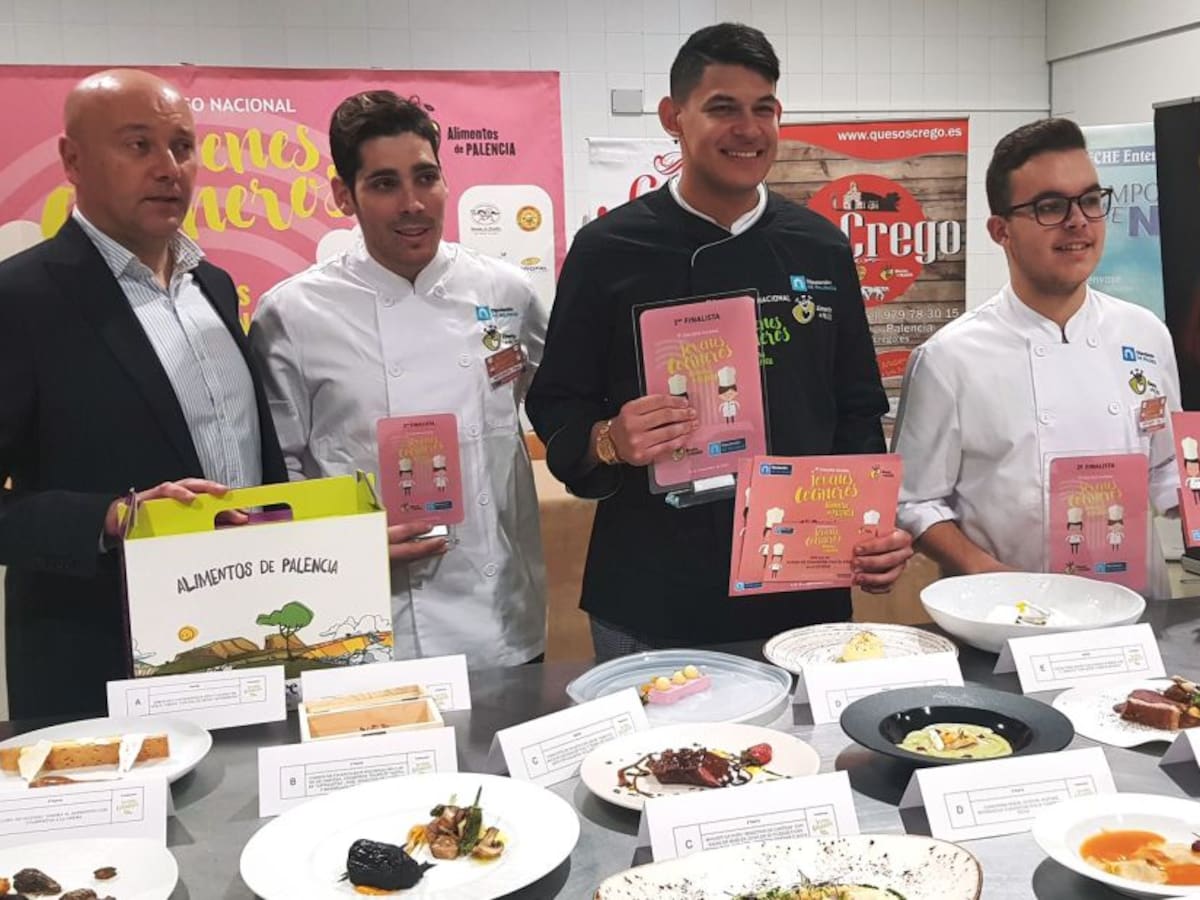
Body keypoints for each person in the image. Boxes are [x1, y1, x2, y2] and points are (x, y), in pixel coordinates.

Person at [525, 24, 912, 659]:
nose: (749, 129)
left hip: (800, 589)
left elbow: (857, 409)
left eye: (764, 109)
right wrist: (609, 439)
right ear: (673, 117)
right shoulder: (608, 250)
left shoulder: (820, 246)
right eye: (723, 108)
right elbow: (556, 401)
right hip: (653, 590)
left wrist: (869, 523)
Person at [0, 69, 286, 719]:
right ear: (73, 160)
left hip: (245, 639)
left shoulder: (213, 286)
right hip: (100, 662)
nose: (168, 169)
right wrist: (111, 517)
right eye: (138, 146)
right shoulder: (19, 300)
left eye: (182, 147)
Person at [250, 91, 548, 667]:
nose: (413, 203)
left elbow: (555, 405)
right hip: (361, 620)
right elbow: (276, 471)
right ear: (344, 194)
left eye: (426, 177)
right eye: (384, 184)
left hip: (499, 617)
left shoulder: (506, 291)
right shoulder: (294, 313)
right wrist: (343, 544)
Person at [892, 117, 1180, 595]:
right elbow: (914, 502)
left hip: (1137, 610)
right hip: (1007, 615)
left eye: (1090, 200)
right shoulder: (949, 358)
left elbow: (1167, 465)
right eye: (1050, 207)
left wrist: (1185, 501)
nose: (1078, 221)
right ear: (1000, 230)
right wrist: (984, 571)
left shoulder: (1146, 333)